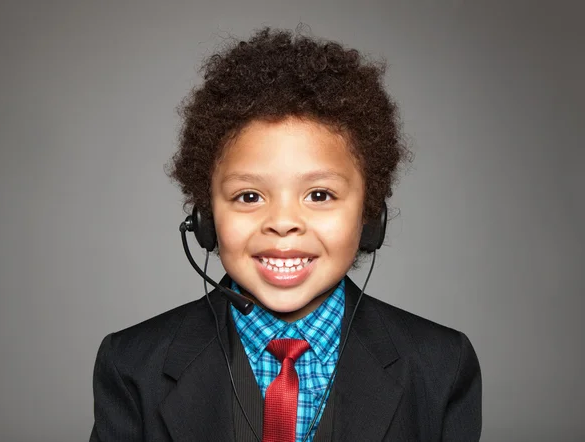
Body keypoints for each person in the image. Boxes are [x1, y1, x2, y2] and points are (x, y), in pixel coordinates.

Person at [90, 26, 482, 442]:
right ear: (205, 219)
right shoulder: (131, 365)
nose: (282, 222)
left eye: (319, 194)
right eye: (248, 195)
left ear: (370, 216)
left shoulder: (441, 365)